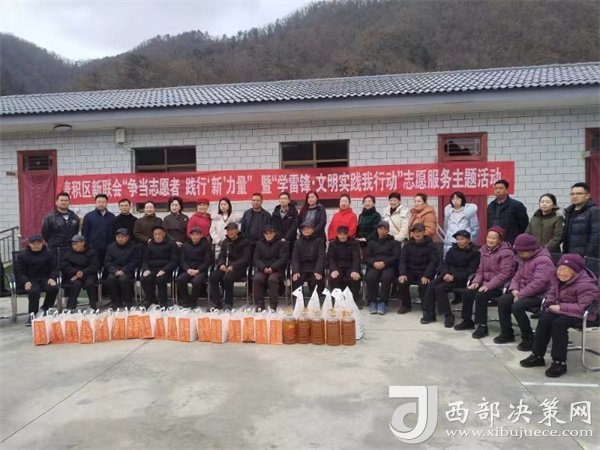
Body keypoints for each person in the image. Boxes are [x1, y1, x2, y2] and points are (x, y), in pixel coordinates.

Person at [520, 254, 598, 378]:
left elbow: (584, 307)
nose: (561, 272)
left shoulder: (586, 284)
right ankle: (537, 355)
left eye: (566, 269)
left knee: (559, 324)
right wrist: (550, 303)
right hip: (562, 309)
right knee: (545, 319)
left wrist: (560, 307)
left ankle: (559, 362)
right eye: (559, 268)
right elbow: (551, 294)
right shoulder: (557, 279)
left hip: (582, 313)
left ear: (575, 271)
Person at [492, 233, 555, 350]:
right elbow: (517, 277)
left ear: (531, 250)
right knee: (503, 301)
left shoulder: (544, 261)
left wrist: (521, 295)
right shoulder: (523, 258)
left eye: (521, 252)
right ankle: (507, 333)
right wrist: (514, 289)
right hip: (523, 291)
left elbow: (539, 284)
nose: (518, 254)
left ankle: (528, 337)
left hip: (542, 295)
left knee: (517, 306)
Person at [454, 226, 515, 338]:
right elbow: (480, 270)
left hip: (500, 286)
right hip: (485, 283)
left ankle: (482, 326)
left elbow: (504, 274)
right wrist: (476, 282)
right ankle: (467, 321)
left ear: (500, 240)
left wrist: (488, 286)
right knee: (468, 292)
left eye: (494, 238)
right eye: (489, 237)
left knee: (480, 295)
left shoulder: (507, 253)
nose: (490, 240)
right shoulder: (483, 250)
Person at [421, 230, 480, 327]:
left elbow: (471, 270)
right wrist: (445, 273)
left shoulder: (475, 253)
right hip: (447, 275)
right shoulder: (452, 250)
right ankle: (430, 313)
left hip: (461, 279)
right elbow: (445, 264)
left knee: (440, 289)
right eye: (458, 239)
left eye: (462, 239)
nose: (460, 242)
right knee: (431, 285)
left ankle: (448, 315)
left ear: (469, 240)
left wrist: (454, 276)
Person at [397, 223, 439, 315]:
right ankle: (406, 305)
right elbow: (403, 260)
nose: (417, 234)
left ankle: (426, 306)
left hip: (425, 272)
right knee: (402, 281)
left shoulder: (431, 245)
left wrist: (427, 275)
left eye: (419, 231)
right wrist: (403, 274)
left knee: (424, 284)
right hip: (411, 271)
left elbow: (434, 262)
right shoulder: (407, 244)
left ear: (424, 232)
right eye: (415, 232)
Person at [16, 234, 58, 325]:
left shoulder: (49, 254)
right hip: (30, 279)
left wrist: (52, 278)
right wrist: (25, 281)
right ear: (29, 244)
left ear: (42, 243)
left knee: (54, 288)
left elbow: (54, 269)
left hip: (45, 278)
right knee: (34, 291)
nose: (36, 246)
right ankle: (32, 314)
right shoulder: (23, 255)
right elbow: (20, 272)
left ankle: (46, 308)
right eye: (33, 244)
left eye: (38, 243)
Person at [209, 222, 252, 310]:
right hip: (226, 267)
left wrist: (233, 266)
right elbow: (221, 256)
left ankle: (228, 302)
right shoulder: (226, 242)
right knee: (214, 276)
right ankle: (216, 302)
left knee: (227, 277)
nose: (230, 232)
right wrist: (221, 264)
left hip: (239, 268)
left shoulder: (245, 242)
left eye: (232, 230)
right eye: (228, 230)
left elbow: (245, 258)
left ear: (237, 231)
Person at [363, 220, 401, 315]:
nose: (382, 231)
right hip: (374, 265)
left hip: (388, 265)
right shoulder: (371, 242)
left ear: (388, 231)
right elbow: (366, 257)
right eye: (380, 229)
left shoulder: (394, 243)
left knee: (387, 278)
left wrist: (384, 263)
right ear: (377, 230)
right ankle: (373, 301)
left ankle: (383, 302)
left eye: (385, 229)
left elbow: (396, 256)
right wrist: (374, 263)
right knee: (370, 277)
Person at [141, 225, 179, 308]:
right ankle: (151, 300)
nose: (157, 236)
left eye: (159, 234)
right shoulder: (150, 244)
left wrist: (164, 270)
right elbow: (145, 260)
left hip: (166, 269)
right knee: (145, 279)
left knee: (160, 279)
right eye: (155, 234)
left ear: (164, 234)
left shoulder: (171, 244)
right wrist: (146, 269)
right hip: (152, 269)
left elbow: (174, 261)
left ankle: (163, 303)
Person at [252, 224, 288, 311]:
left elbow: (283, 259)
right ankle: (259, 304)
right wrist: (263, 268)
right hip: (263, 269)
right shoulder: (259, 244)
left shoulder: (282, 244)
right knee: (257, 279)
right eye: (266, 233)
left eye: (270, 233)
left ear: (274, 233)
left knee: (272, 279)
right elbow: (256, 259)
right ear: (263, 234)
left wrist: (272, 267)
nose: (268, 235)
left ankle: (273, 305)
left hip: (276, 269)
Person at [176, 227, 214, 308]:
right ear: (190, 236)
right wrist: (187, 269)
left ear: (201, 235)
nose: (195, 237)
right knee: (180, 279)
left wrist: (198, 270)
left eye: (197, 234)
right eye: (193, 235)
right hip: (189, 270)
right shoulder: (185, 245)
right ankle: (185, 300)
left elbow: (208, 261)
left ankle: (193, 302)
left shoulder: (206, 245)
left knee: (196, 281)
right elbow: (182, 260)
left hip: (201, 270)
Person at [61, 234, 99, 310]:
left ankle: (93, 306)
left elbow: (94, 266)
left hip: (88, 274)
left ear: (83, 243)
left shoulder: (92, 252)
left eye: (76, 244)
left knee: (90, 283)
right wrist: (76, 272)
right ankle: (70, 307)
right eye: (73, 244)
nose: (74, 246)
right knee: (76, 284)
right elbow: (65, 267)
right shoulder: (68, 254)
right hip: (74, 275)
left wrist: (83, 272)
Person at [104, 228, 140, 309]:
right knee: (110, 279)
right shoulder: (111, 247)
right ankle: (115, 302)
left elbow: (135, 262)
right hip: (115, 270)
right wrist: (114, 271)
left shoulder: (133, 247)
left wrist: (124, 270)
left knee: (123, 279)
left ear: (127, 237)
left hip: (127, 270)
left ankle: (128, 301)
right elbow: (107, 262)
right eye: (118, 237)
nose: (120, 239)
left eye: (122, 237)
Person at [562, 182, 599, 258]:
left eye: (579, 194)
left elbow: (596, 236)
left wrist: (589, 256)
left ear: (587, 196)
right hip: (569, 256)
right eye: (572, 194)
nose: (575, 196)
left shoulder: (594, 211)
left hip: (585, 257)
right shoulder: (568, 212)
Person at [327, 225, 362, 306]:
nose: (342, 237)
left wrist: (355, 271)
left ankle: (354, 301)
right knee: (334, 278)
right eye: (340, 234)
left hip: (350, 267)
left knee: (354, 277)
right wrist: (333, 269)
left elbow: (356, 258)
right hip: (337, 267)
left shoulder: (354, 243)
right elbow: (330, 258)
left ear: (348, 234)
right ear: (337, 234)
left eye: (344, 234)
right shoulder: (332, 244)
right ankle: (335, 301)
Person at [291, 221, 326, 301]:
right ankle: (299, 302)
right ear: (301, 231)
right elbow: (295, 258)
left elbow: (321, 257)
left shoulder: (319, 241)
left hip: (314, 267)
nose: (306, 231)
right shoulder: (297, 242)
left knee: (317, 280)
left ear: (313, 230)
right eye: (304, 229)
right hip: (302, 268)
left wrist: (318, 271)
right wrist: (296, 271)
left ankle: (315, 302)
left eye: (309, 228)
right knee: (296, 279)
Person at [487, 179, 529, 244]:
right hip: (494, 242)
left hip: (511, 242)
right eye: (496, 188)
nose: (498, 191)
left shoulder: (517, 205)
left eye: (500, 188)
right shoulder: (490, 206)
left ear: (507, 190)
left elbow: (524, 225)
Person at [41, 192, 81, 258]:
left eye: (66, 200)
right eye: (61, 200)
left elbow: (76, 232)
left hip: (70, 249)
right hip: (55, 250)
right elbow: (45, 233)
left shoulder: (74, 217)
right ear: (56, 202)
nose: (64, 202)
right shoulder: (49, 217)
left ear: (69, 202)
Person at [81, 193, 115, 264]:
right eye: (99, 202)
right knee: (94, 267)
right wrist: (87, 246)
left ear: (107, 203)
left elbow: (113, 233)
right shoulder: (89, 216)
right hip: (93, 249)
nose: (101, 204)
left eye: (103, 202)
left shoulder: (112, 217)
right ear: (95, 203)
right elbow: (84, 233)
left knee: (107, 267)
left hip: (108, 249)